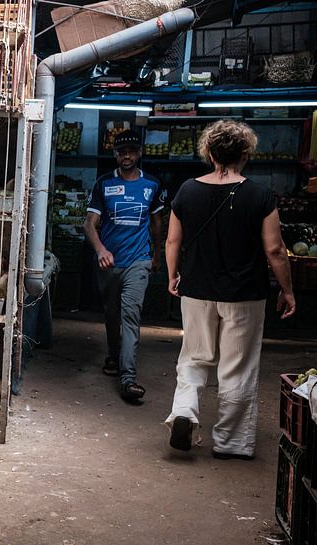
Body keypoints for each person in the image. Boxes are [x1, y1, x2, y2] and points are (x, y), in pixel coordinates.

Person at [164, 120, 295, 459]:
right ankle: (231, 442)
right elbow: (275, 250)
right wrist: (288, 290)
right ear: (246, 153)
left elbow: (172, 240)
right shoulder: (259, 195)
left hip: (196, 289)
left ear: (208, 152)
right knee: (236, 366)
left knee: (194, 357)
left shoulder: (187, 191)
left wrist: (172, 275)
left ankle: (184, 411)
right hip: (244, 295)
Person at [83, 129, 164, 403]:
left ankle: (128, 378)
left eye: (131, 151)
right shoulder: (103, 184)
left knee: (130, 316)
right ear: (115, 154)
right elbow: (89, 224)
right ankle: (113, 355)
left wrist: (157, 255)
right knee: (111, 314)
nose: (126, 155)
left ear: (139, 153)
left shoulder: (152, 184)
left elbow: (156, 223)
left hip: (138, 261)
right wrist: (101, 249)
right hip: (109, 264)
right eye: (121, 151)